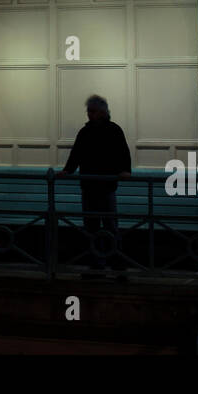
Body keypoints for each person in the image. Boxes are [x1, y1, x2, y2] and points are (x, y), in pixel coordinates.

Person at [58, 95, 131, 270]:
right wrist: (125, 170)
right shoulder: (111, 130)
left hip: (94, 184)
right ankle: (111, 261)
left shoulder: (88, 132)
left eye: (92, 111)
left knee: (100, 226)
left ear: (101, 112)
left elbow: (77, 154)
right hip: (101, 185)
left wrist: (69, 170)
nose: (89, 114)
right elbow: (123, 153)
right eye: (89, 111)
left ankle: (102, 261)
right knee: (104, 225)